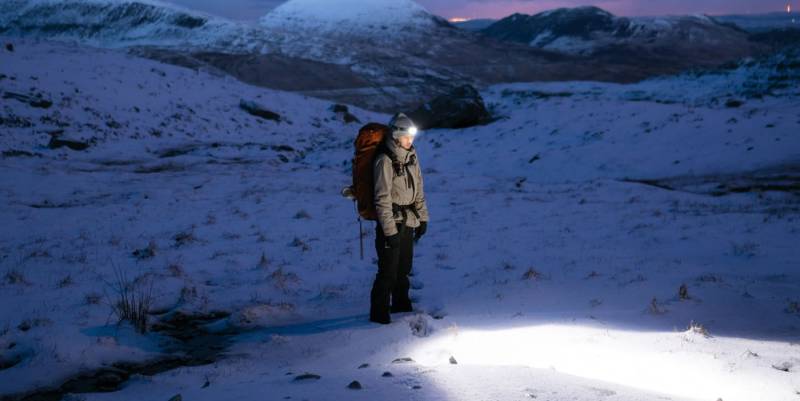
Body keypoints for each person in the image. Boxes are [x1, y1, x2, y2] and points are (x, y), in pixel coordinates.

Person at [370, 113, 429, 324]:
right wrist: (389, 232)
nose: (410, 141)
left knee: (403, 269)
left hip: (409, 220)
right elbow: (382, 198)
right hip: (391, 223)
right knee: (388, 272)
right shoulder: (384, 160)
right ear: (396, 135)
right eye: (406, 136)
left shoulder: (411, 156)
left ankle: (402, 308)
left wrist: (423, 218)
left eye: (412, 137)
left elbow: (419, 189)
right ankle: (379, 317)